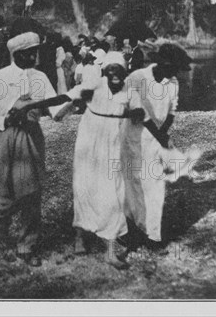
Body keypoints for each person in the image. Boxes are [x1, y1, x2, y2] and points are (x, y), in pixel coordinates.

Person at [14, 51, 145, 270]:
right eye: (111, 70)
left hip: (114, 142)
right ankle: (80, 237)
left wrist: (137, 115)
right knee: (84, 186)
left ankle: (111, 252)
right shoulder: (94, 85)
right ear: (104, 71)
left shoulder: (129, 90)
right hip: (90, 140)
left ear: (125, 72)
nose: (115, 75)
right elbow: (65, 98)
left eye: (119, 71)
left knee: (114, 191)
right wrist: (31, 105)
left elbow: (139, 110)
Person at [0, 32, 62, 267]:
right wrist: (3, 122)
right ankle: (2, 230)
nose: (35, 56)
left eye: (36, 51)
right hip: (7, 138)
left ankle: (27, 246)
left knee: (32, 192)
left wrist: (74, 100)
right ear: (18, 54)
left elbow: (56, 109)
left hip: (32, 137)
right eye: (31, 52)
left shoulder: (40, 78)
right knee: (8, 195)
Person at [121, 43, 193, 251]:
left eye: (175, 69)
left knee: (155, 186)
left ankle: (152, 234)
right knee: (133, 185)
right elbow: (136, 109)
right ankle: (131, 230)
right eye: (170, 67)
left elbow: (172, 110)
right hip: (135, 137)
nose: (173, 72)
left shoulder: (173, 82)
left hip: (157, 139)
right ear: (160, 62)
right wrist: (161, 135)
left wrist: (164, 133)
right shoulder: (137, 77)